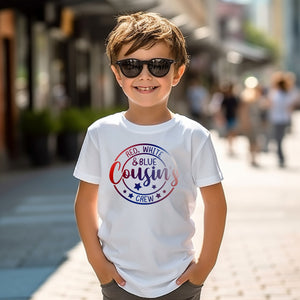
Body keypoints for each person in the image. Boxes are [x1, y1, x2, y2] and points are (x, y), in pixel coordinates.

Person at [73, 12, 227, 300]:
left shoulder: (193, 135)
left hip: (179, 279)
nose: (144, 75)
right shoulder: (101, 133)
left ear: (177, 73)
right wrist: (99, 263)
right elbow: (85, 202)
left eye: (158, 65)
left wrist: (204, 267)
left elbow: (216, 203)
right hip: (119, 279)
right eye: (131, 66)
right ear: (117, 73)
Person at [268, 73, 295, 168]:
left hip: (277, 119)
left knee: (278, 139)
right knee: (280, 139)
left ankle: (280, 157)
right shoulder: (287, 94)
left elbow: (270, 105)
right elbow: (290, 108)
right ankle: (280, 156)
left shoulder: (275, 94)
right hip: (283, 119)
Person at [220, 82, 240, 156]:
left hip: (233, 117)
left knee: (233, 132)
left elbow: (237, 108)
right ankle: (230, 146)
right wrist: (222, 117)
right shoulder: (225, 98)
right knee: (229, 132)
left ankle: (231, 146)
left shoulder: (234, 98)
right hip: (228, 117)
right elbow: (222, 108)